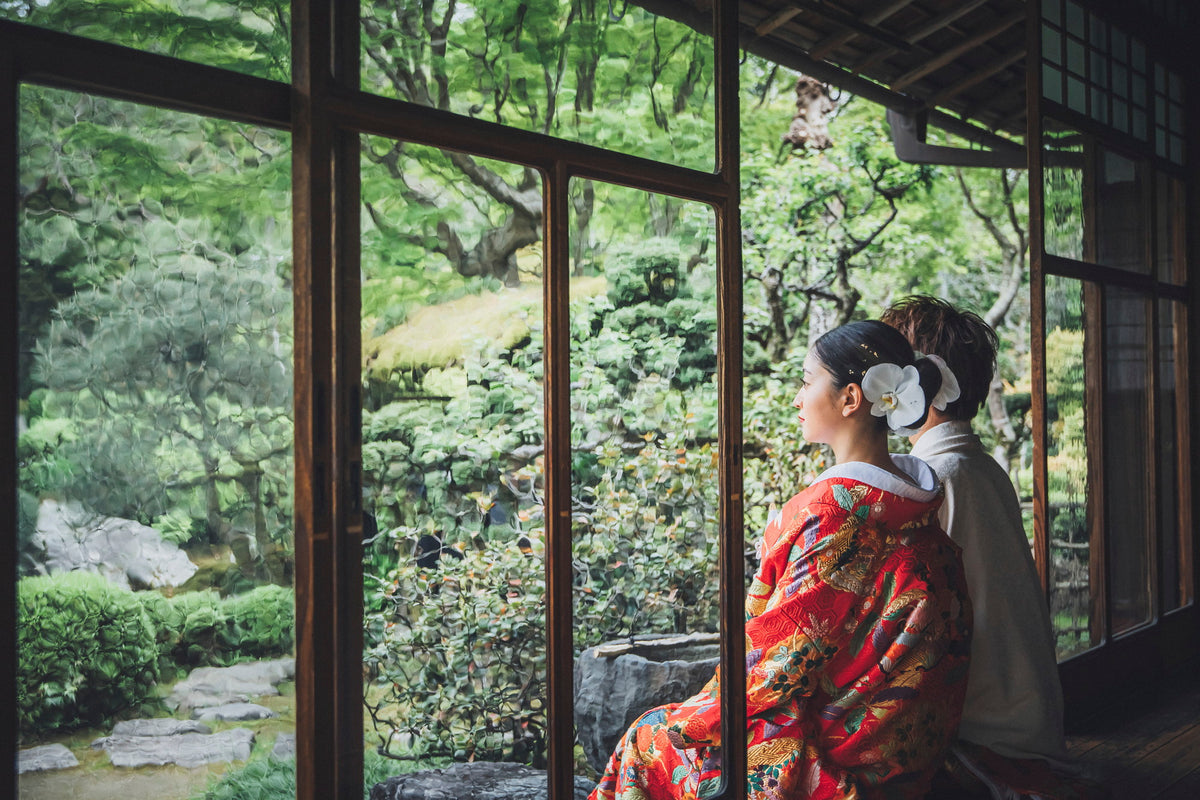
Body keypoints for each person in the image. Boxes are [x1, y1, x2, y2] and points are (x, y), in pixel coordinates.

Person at [590, 320, 972, 800]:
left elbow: (778, 657)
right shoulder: (916, 501)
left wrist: (692, 720)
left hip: (842, 754)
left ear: (851, 399)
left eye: (807, 381)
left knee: (649, 737)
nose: (797, 398)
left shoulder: (834, 513)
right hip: (903, 746)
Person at [881, 296, 1098, 799]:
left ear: (920, 385)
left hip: (985, 736)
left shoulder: (939, 478)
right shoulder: (975, 467)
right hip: (1021, 719)